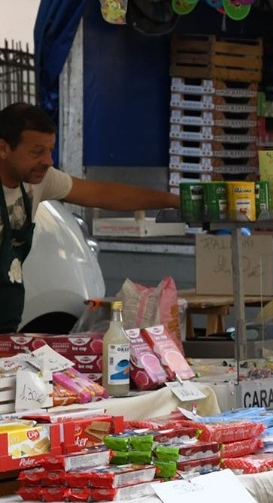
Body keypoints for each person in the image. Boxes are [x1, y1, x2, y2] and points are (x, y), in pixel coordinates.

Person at [0, 102, 181, 333]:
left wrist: (172, 201)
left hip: (7, 323)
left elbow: (102, 194)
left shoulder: (37, 181)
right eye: (37, 152)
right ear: (4, 148)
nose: (48, 161)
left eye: (50, 151)